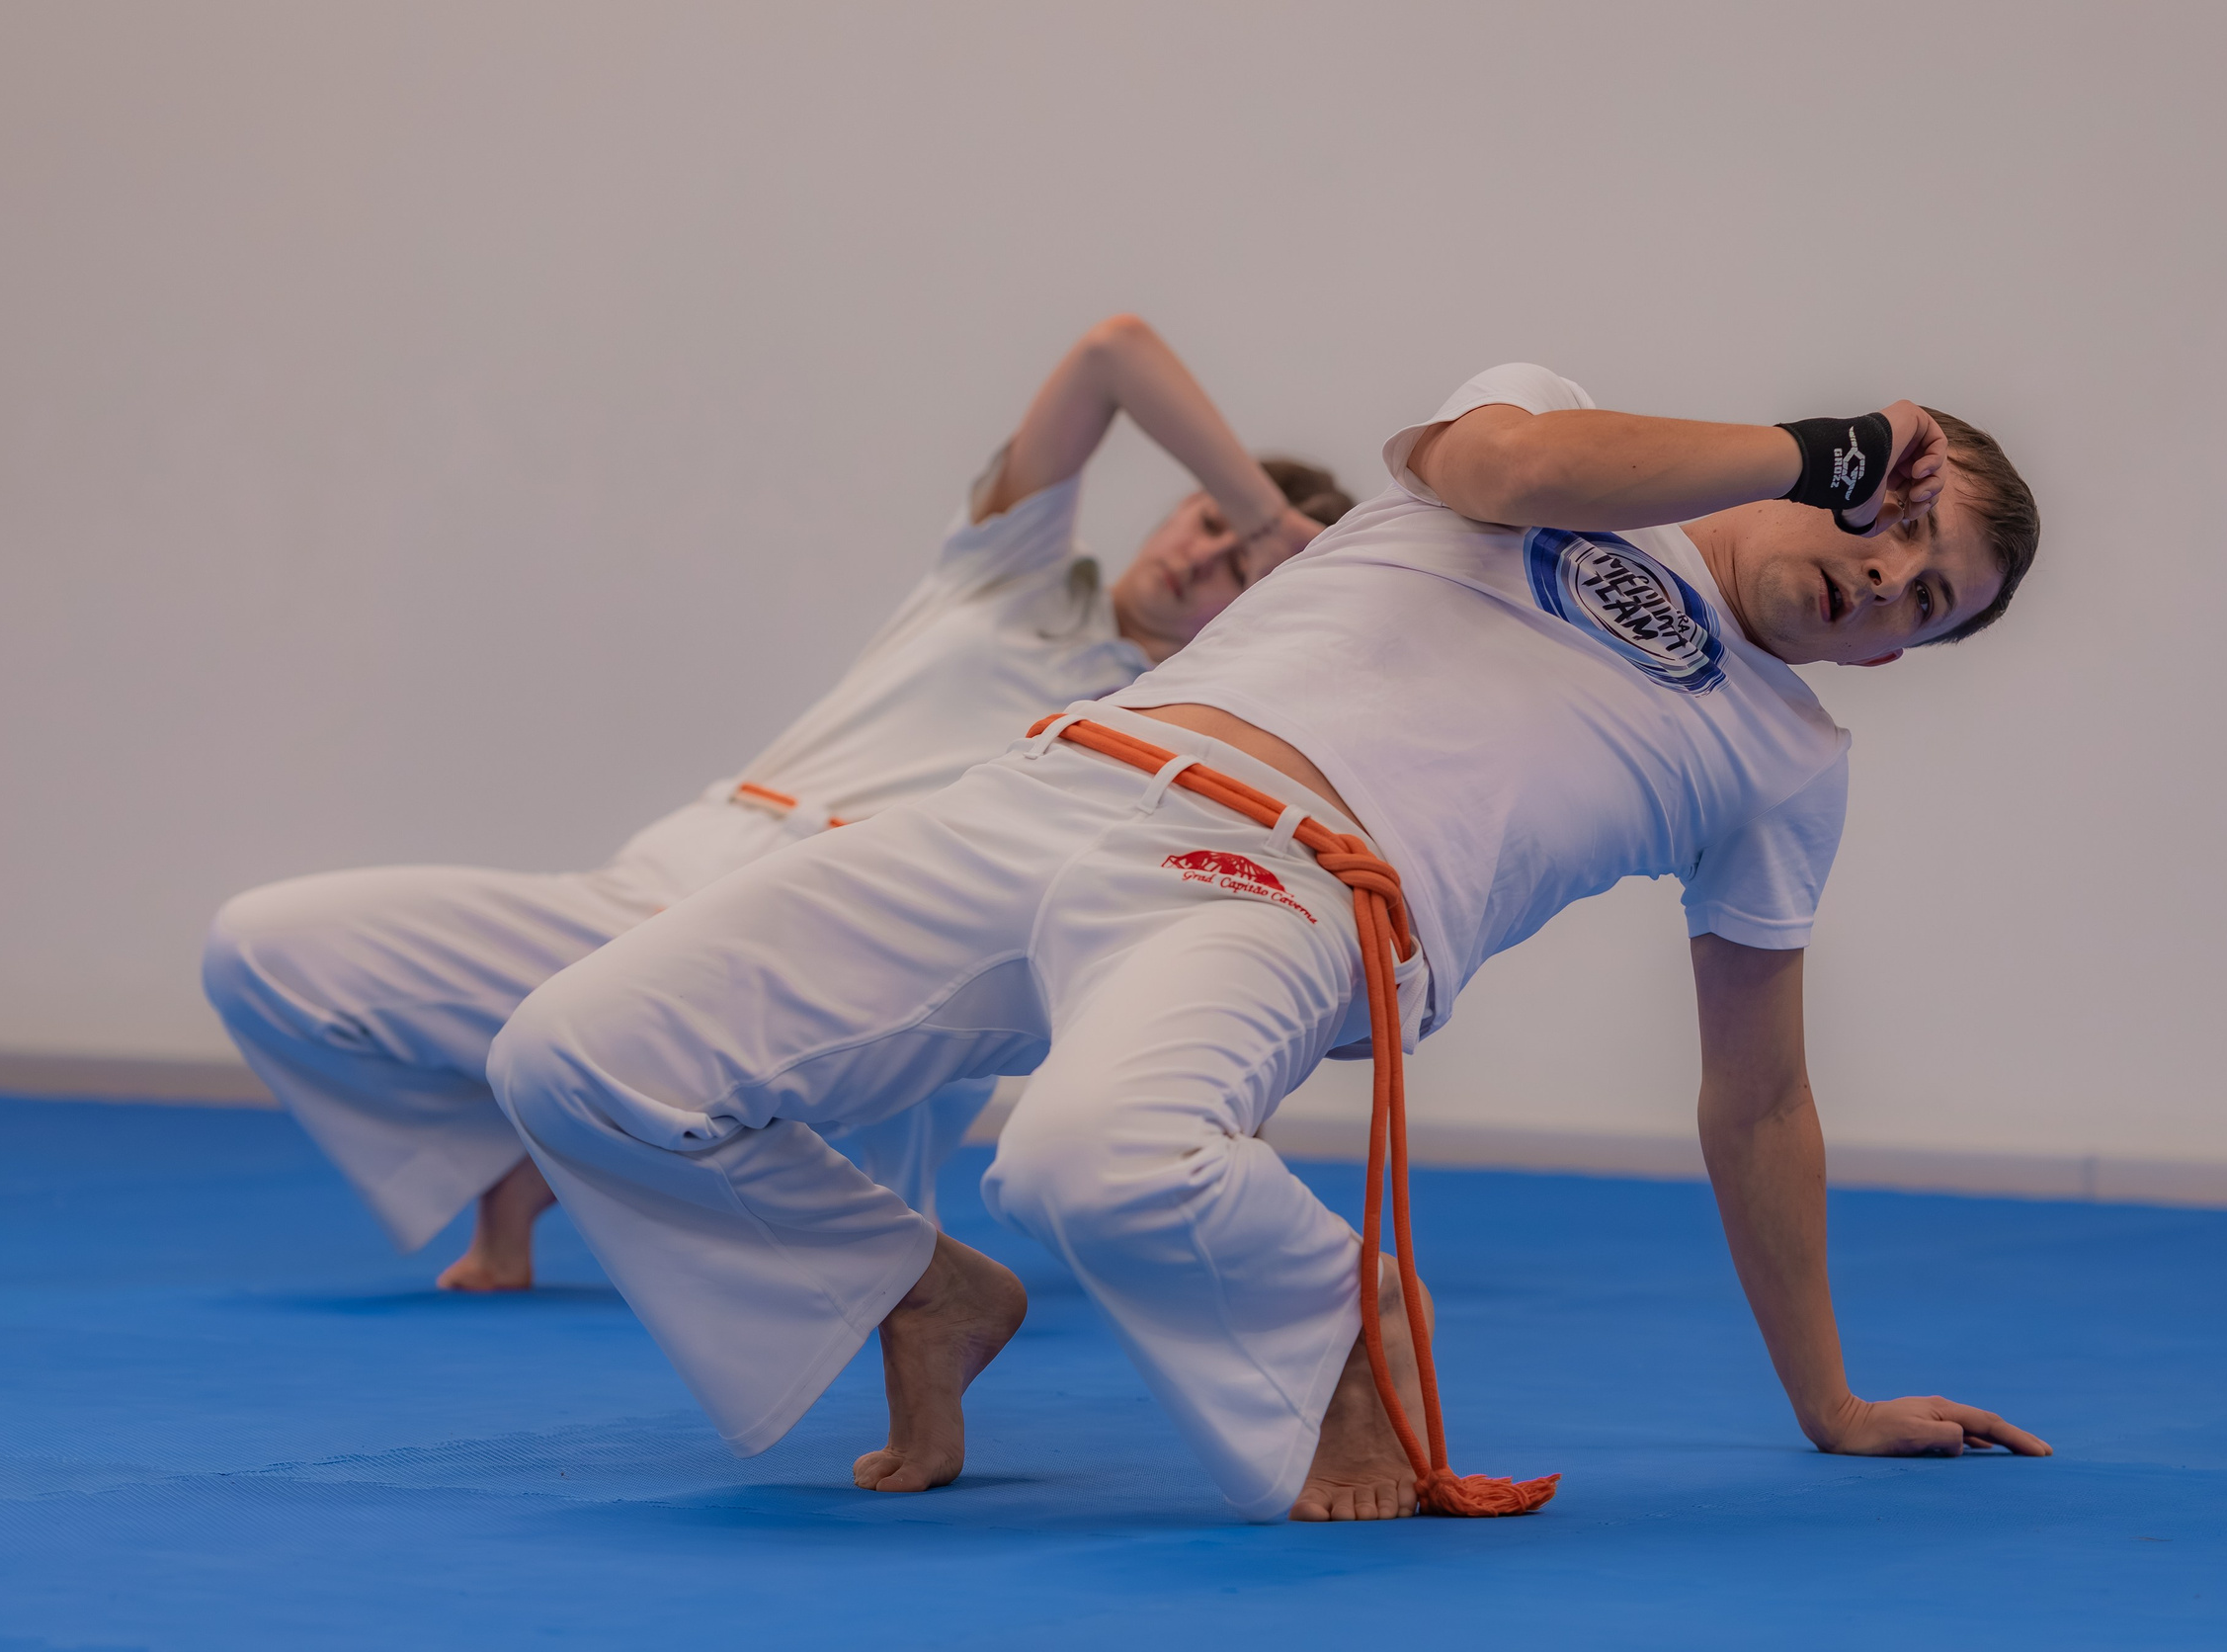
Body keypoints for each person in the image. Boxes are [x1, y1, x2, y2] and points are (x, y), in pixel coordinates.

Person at [483, 356, 2052, 1522]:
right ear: (1845, 465)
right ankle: (914, 1289)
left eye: (1930, 601)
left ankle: (1337, 1314)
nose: (1888, 583)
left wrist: (1831, 1400)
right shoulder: (1546, 425)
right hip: (1055, 784)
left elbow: (1761, 1098)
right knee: (572, 1052)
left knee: (1086, 1158)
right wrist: (1816, 444)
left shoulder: (1786, 759)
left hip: (1288, 882)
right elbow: (1501, 468)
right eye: (1903, 526)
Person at [203, 315, 1350, 1289]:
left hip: (884, 955)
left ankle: (600, 1160)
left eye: (1242, 573)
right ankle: (523, 1157)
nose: (1208, 561)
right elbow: (1113, 351)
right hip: (686, 873)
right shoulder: (1011, 575)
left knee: (917, 1111)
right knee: (264, 949)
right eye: (1209, 525)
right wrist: (1264, 518)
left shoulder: (1184, 732)